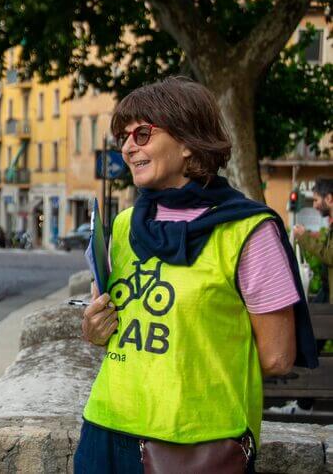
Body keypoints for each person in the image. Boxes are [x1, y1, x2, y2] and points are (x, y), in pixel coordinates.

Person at [74, 77, 318, 473]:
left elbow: (277, 356)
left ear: (188, 141)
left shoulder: (248, 231)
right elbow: (108, 321)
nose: (128, 146)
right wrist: (94, 328)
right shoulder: (121, 226)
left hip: (197, 440)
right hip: (105, 426)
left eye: (142, 133)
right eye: (124, 136)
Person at [270, 178, 333, 414]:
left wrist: (305, 238)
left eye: (316, 200)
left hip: (329, 298)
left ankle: (304, 403)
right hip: (327, 295)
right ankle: (304, 402)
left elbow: (330, 256)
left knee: (313, 341)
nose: (315, 205)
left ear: (329, 198)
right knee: (312, 343)